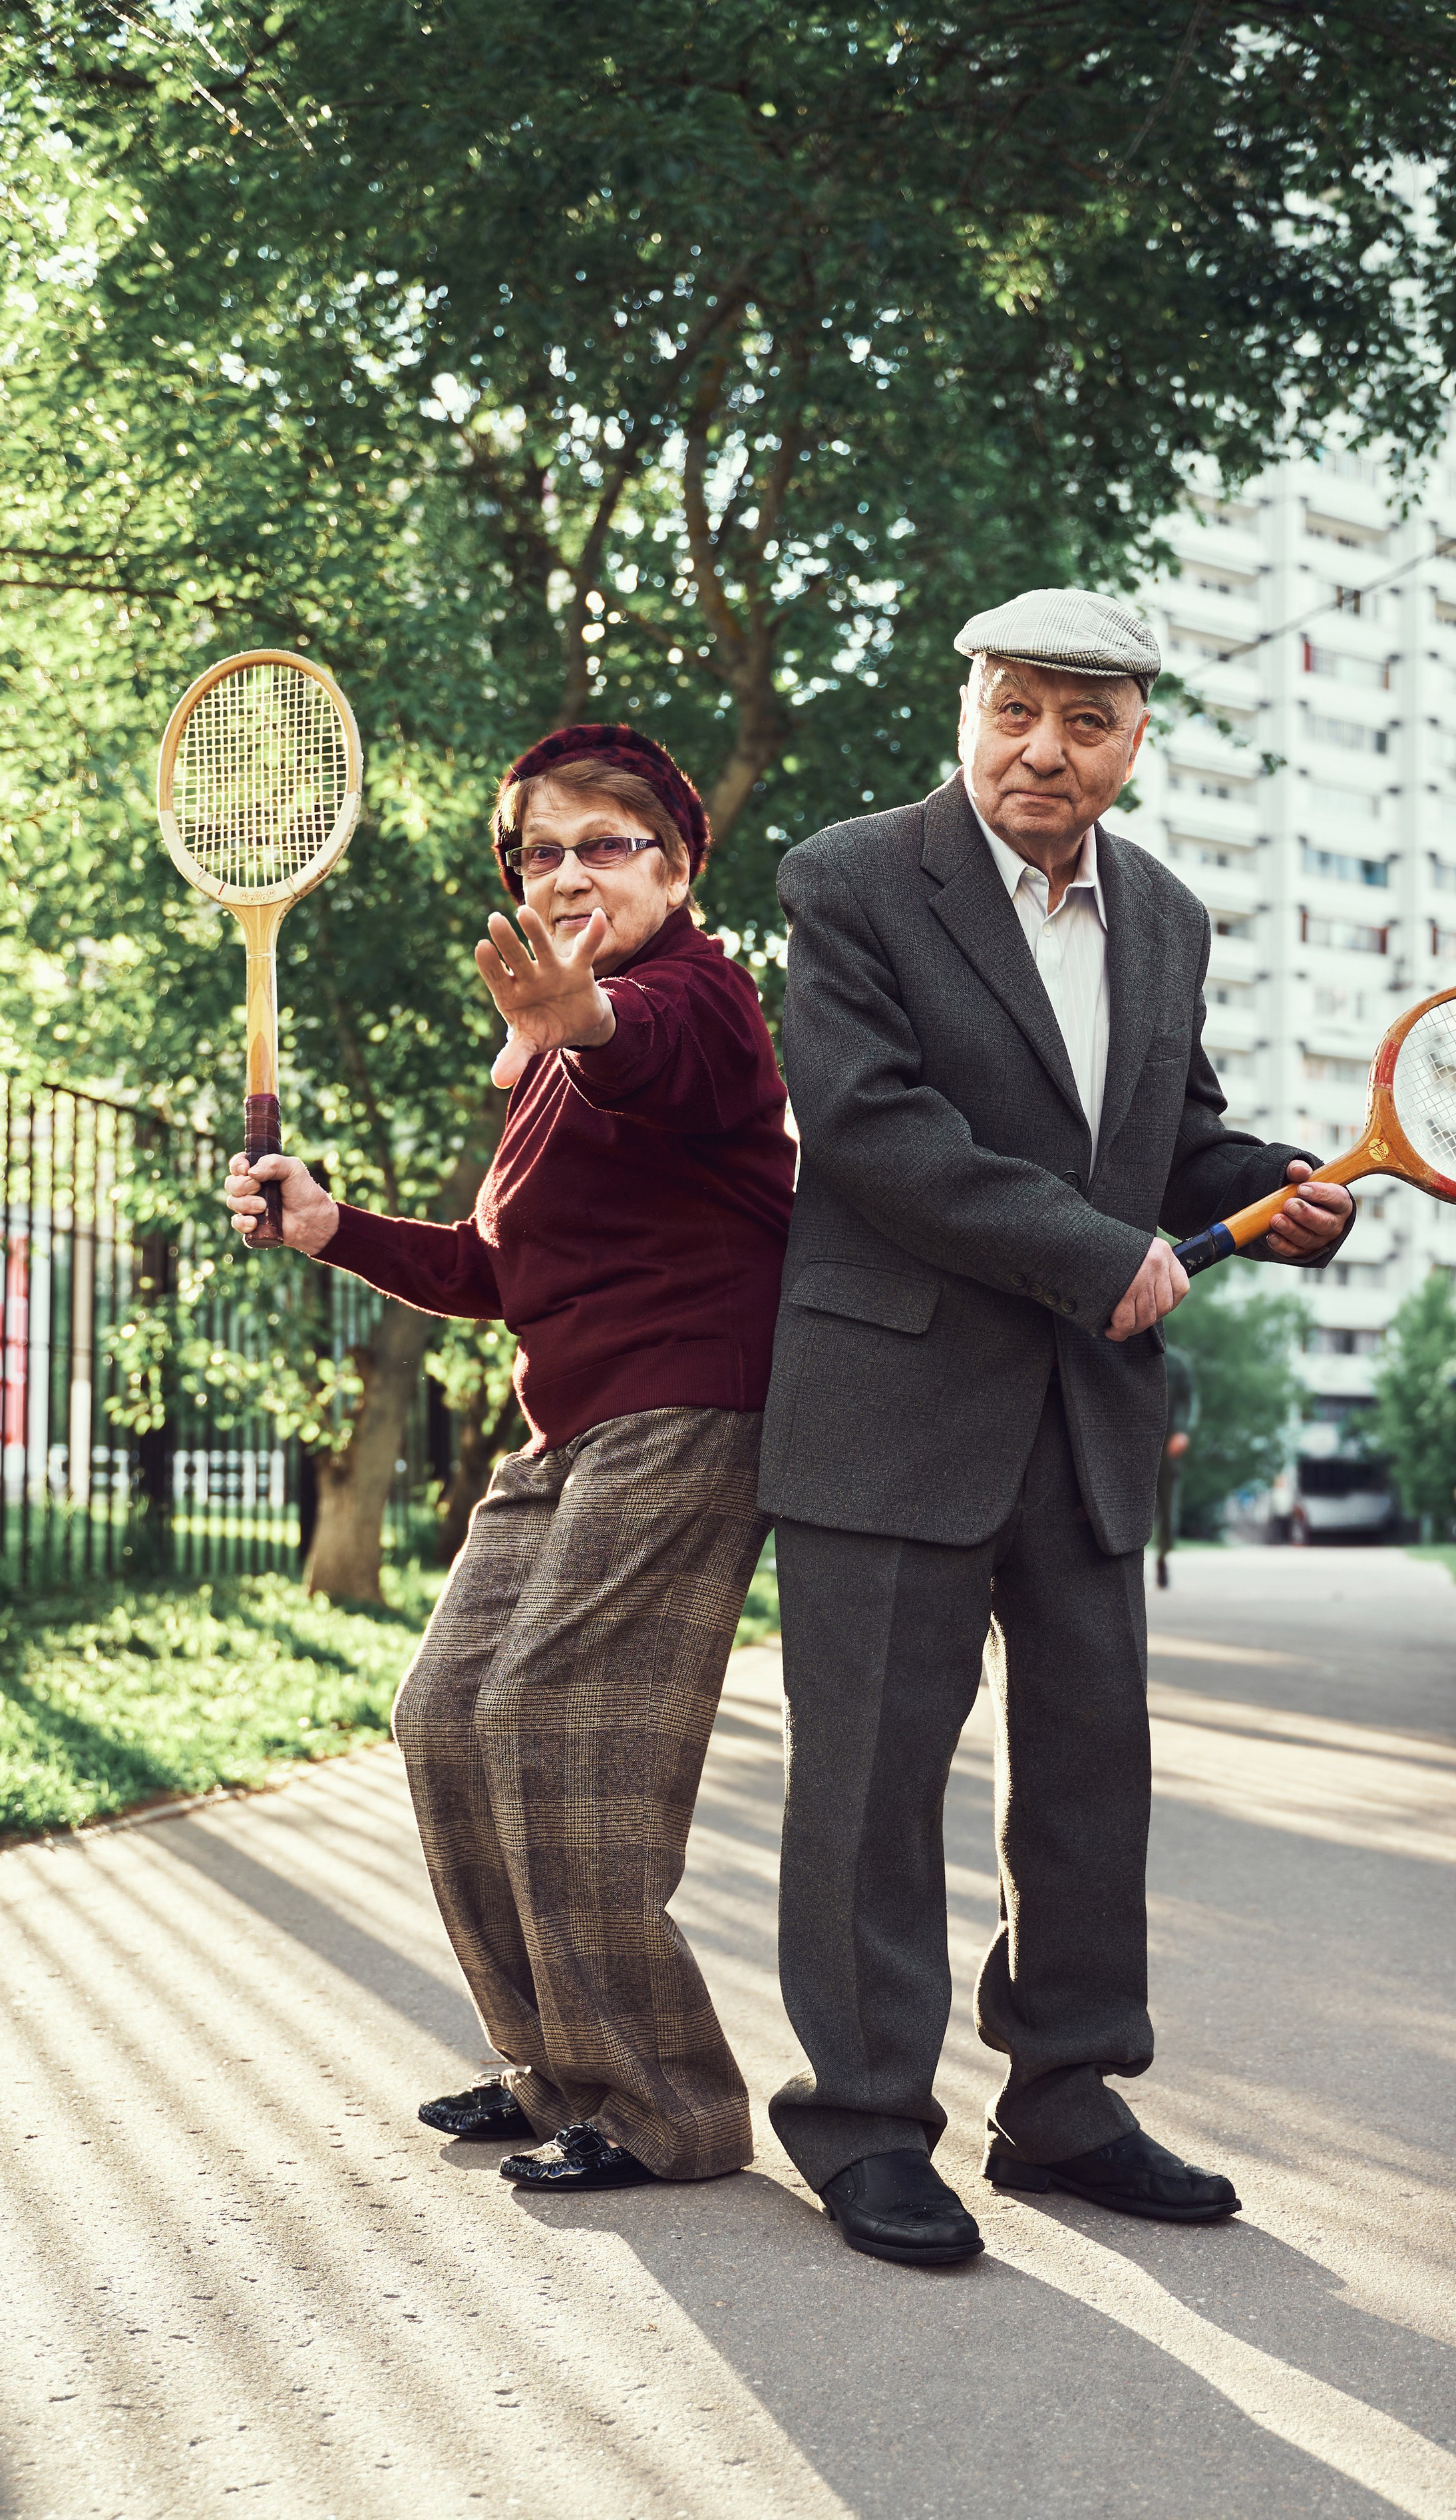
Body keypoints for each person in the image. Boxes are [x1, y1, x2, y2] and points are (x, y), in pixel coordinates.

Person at [757, 588, 1355, 2267]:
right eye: (1016, 710)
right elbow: (870, 1130)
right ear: (968, 709)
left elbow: (1173, 1141)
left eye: (1085, 722)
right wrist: (1097, 1253)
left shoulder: (1164, 915)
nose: (1045, 749)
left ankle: (1067, 2102)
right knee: (870, 1777)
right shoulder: (849, 877)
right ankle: (864, 2121)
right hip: (889, 1399)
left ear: (1135, 738)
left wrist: (1277, 1193)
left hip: (1085, 1415)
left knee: (1090, 1776)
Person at [223, 725, 794, 2197]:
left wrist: (586, 1017)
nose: (562, 871)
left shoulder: (699, 997)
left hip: (685, 1414)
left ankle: (668, 2105)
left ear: (674, 866)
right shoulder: (545, 1065)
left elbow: (654, 1057)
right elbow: (495, 1267)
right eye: (538, 850)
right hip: (572, 1427)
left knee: (545, 1712)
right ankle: (556, 2066)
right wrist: (331, 1225)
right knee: (441, 1711)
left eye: (603, 845)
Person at [1153, 1344, 1197, 1590]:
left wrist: (1183, 1432)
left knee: (1169, 1507)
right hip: (1136, 1444)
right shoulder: (1127, 1351)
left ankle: (1163, 1556)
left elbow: (1189, 1400)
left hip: (1168, 1445)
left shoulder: (1177, 1362)